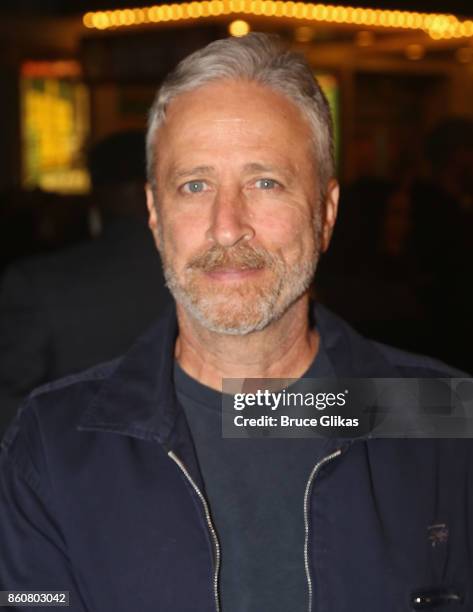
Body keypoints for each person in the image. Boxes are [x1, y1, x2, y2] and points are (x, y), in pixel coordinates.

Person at [0, 33, 471, 612]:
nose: (227, 227)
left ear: (326, 213)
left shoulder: (443, 417)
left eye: (264, 182)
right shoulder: (53, 443)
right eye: (194, 185)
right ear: (154, 214)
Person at [0, 131, 172, 437]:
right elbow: (262, 405)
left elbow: (10, 405)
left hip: (69, 470)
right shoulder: (217, 274)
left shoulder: (37, 284)